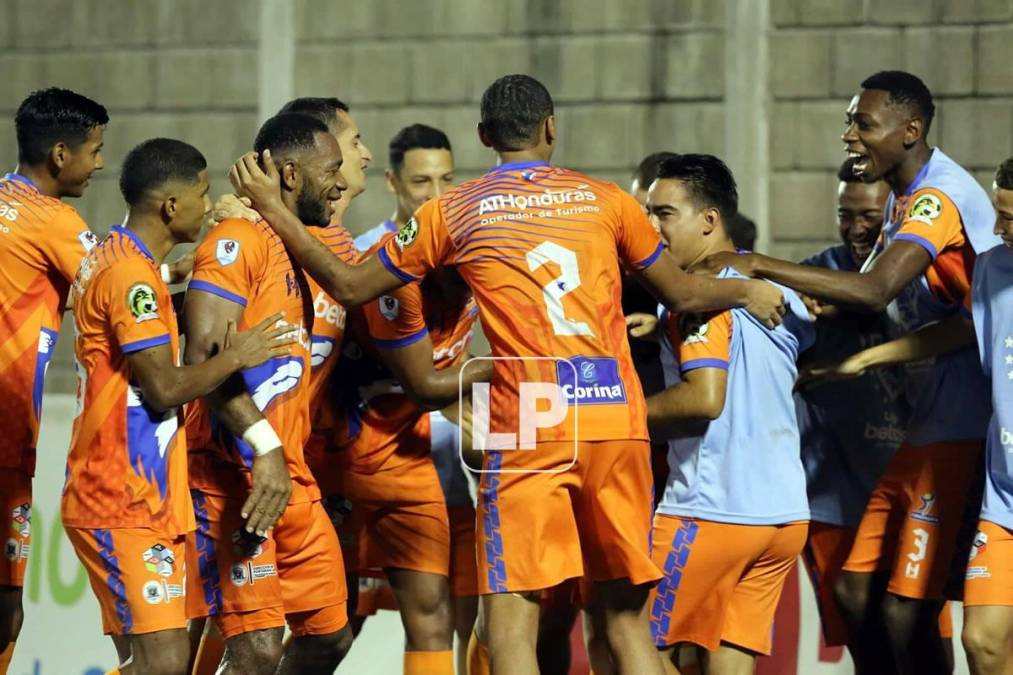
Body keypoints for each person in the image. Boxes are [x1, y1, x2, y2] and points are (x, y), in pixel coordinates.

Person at [228, 74, 787, 675]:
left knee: (511, 622)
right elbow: (679, 292)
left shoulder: (454, 210)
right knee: (626, 624)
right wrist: (745, 289)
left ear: (483, 136)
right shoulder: (608, 200)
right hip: (613, 416)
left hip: (530, 418)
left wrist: (268, 209)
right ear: (552, 127)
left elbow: (349, 283)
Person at [703, 70, 997, 673]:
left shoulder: (938, 198)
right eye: (850, 122)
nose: (849, 136)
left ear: (910, 130)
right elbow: (906, 304)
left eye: (863, 124)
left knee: (907, 612)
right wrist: (835, 322)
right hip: (927, 424)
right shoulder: (901, 195)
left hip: (964, 422)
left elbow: (876, 288)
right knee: (853, 593)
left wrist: (759, 263)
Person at [63, 138, 294, 675]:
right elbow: (164, 387)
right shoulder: (130, 276)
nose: (209, 206)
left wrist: (174, 273)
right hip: (117, 497)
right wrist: (237, 355)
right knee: (165, 663)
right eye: (202, 194)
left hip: (143, 498)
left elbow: (112, 294)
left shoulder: (118, 258)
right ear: (170, 206)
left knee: (153, 661)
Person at [182, 113, 352, 675]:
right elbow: (204, 359)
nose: (343, 181)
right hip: (235, 478)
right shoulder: (237, 241)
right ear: (288, 173)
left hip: (293, 479)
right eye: (331, 169)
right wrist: (264, 445)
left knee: (329, 639)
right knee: (254, 651)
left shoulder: (308, 246)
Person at [642, 154, 813, 674]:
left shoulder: (698, 296)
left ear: (709, 220)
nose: (651, 228)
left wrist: (613, 414)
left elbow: (703, 400)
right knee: (726, 661)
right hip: (783, 515)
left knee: (632, 643)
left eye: (664, 213)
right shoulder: (781, 294)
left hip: (714, 507)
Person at [313, 257, 485, 675]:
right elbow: (425, 386)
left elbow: (447, 376)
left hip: (410, 465)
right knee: (330, 631)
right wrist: (495, 369)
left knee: (433, 615)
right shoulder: (398, 287)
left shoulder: (476, 295)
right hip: (341, 465)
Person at [0, 87, 106, 670]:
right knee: (6, 608)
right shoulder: (53, 221)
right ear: (61, 155)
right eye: (95, 150)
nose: (100, 164)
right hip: (7, 428)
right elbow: (122, 287)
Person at [355, 124, 453, 251]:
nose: (437, 194)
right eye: (421, 181)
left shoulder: (468, 243)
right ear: (392, 182)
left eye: (447, 179)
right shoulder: (364, 252)